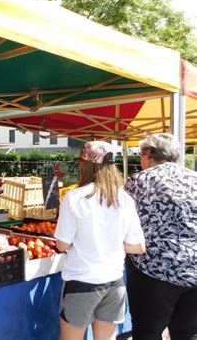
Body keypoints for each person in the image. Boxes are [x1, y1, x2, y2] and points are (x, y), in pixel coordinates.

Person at [54, 141, 145, 340]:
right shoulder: (124, 199)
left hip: (82, 282)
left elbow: (62, 244)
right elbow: (137, 247)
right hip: (114, 282)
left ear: (85, 165)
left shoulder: (75, 197)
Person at [124, 133, 197, 340]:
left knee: (147, 333)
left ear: (149, 154)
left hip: (153, 270)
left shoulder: (140, 180)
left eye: (140, 154)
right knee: (188, 333)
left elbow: (124, 221)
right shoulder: (194, 178)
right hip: (194, 269)